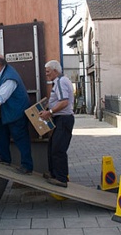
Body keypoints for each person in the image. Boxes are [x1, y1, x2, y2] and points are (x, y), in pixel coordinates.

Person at [38, 60, 75, 188]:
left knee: (58, 149)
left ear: (55, 71)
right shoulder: (60, 81)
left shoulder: (60, 81)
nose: (46, 74)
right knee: (53, 146)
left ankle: (61, 178)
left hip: (64, 118)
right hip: (61, 119)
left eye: (48, 71)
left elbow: (64, 102)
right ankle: (54, 174)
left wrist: (50, 112)